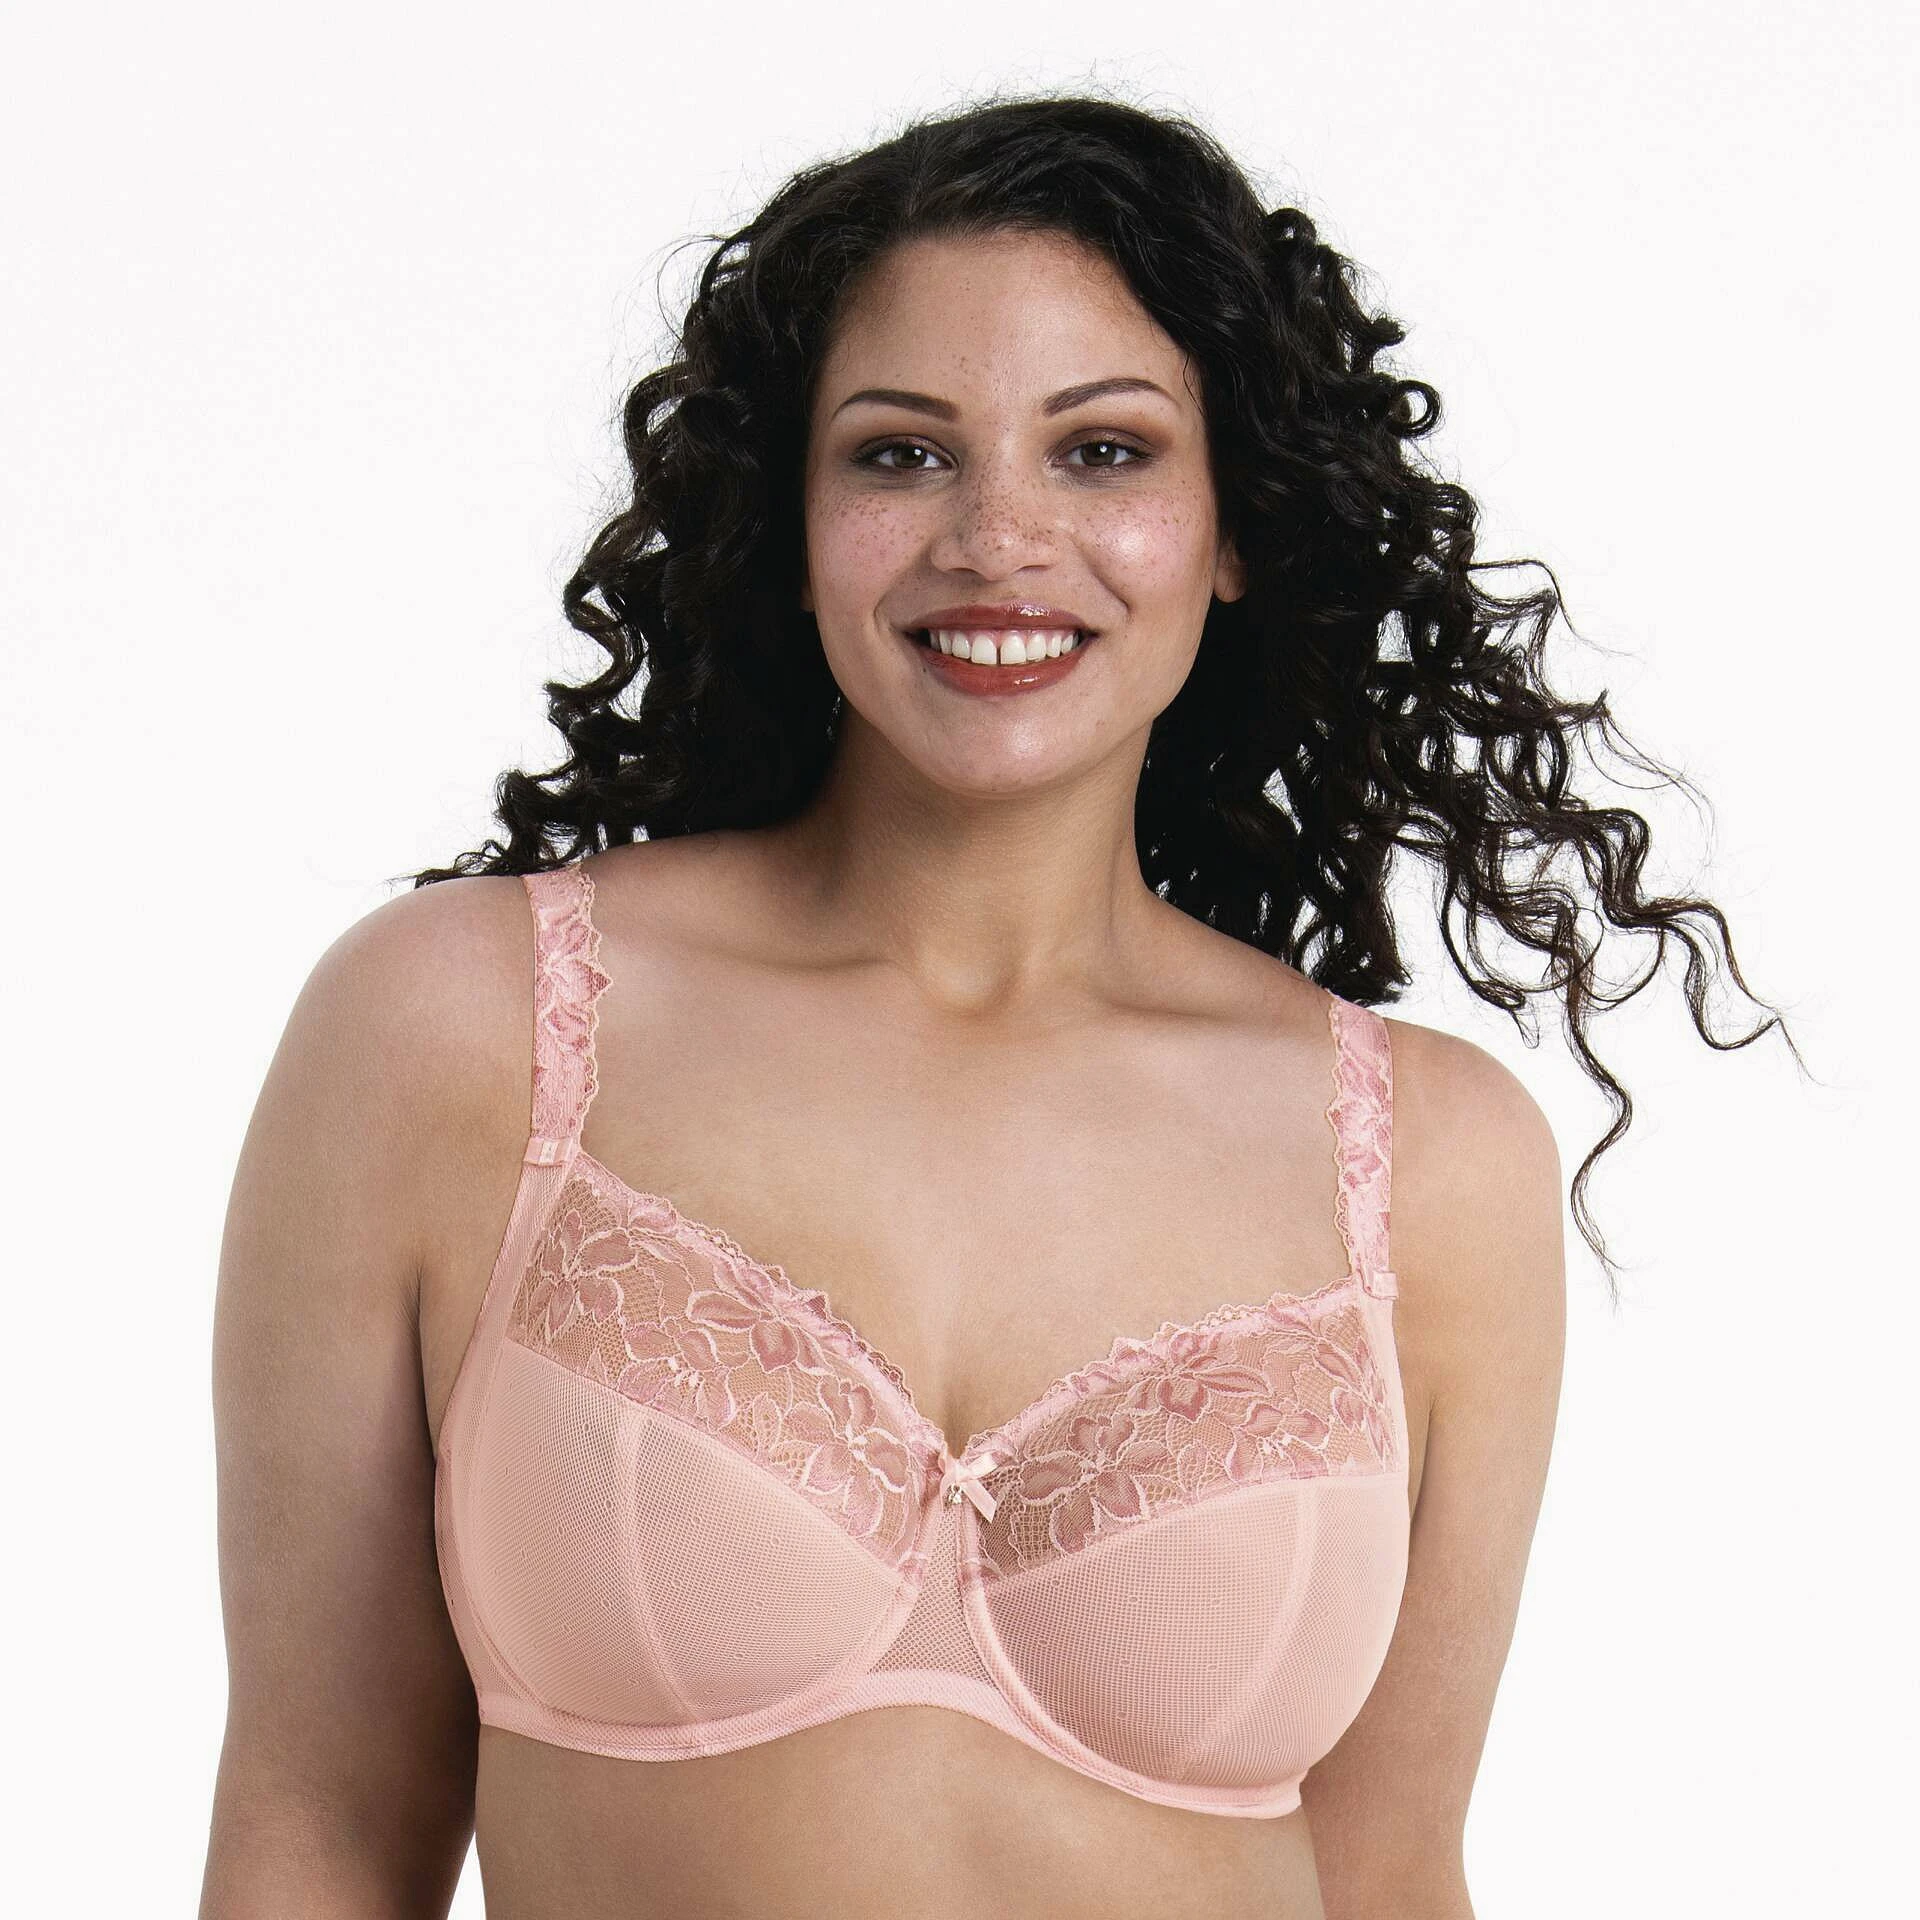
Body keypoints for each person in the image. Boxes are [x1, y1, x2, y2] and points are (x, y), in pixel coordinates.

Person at [200, 91, 1791, 1920]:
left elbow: (1391, 1871)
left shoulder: (1429, 1160)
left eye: (1104, 452)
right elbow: (318, 1830)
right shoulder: (465, 1029)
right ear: (792, 517)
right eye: (902, 455)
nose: (1000, 538)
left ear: (1234, 524)